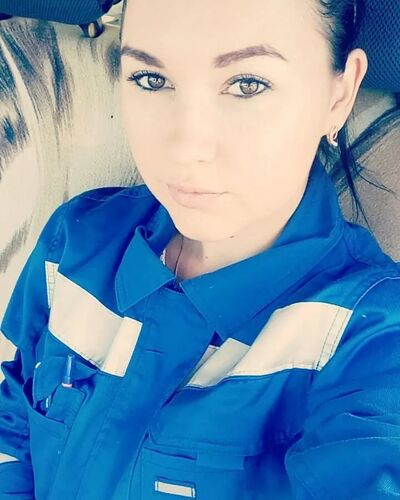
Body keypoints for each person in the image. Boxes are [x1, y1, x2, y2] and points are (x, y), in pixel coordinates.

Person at [0, 0, 399, 498]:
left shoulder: (372, 340)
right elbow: (13, 425)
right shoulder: (77, 242)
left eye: (247, 84)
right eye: (150, 79)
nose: (185, 147)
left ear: (339, 94)